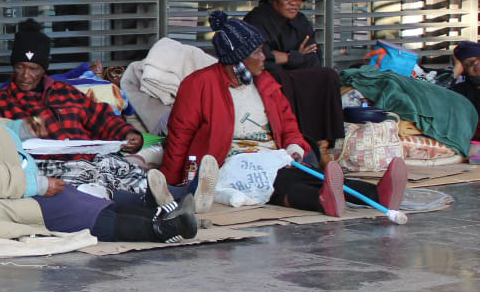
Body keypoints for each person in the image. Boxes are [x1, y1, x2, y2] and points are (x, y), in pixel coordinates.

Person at [0, 33, 197, 244]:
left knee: (90, 182)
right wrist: (34, 184)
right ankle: (160, 228)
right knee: (62, 204)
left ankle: (168, 211)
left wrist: (24, 129)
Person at [162, 13, 406, 217]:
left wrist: (294, 146)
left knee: (302, 174)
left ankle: (375, 194)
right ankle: (326, 199)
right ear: (237, 58)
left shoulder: (264, 81)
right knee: (282, 181)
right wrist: (172, 185)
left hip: (271, 156)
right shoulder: (199, 84)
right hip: (229, 163)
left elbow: (287, 121)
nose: (263, 58)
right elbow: (180, 135)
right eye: (257, 52)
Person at [0, 19, 161, 198]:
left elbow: (100, 117)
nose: (25, 75)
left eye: (33, 69)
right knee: (97, 187)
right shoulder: (2, 101)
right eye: (20, 67)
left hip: (90, 158)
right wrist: (30, 128)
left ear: (43, 69)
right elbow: (1, 141)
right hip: (49, 166)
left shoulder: (64, 91)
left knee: (137, 177)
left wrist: (127, 134)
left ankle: (167, 206)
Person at [243, 0, 344, 157]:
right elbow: (259, 58)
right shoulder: (257, 20)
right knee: (278, 78)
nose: (294, 3)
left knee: (327, 76)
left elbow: (313, 57)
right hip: (270, 76)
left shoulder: (301, 22)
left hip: (296, 74)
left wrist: (285, 57)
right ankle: (299, 143)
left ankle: (323, 146)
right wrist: (294, 57)